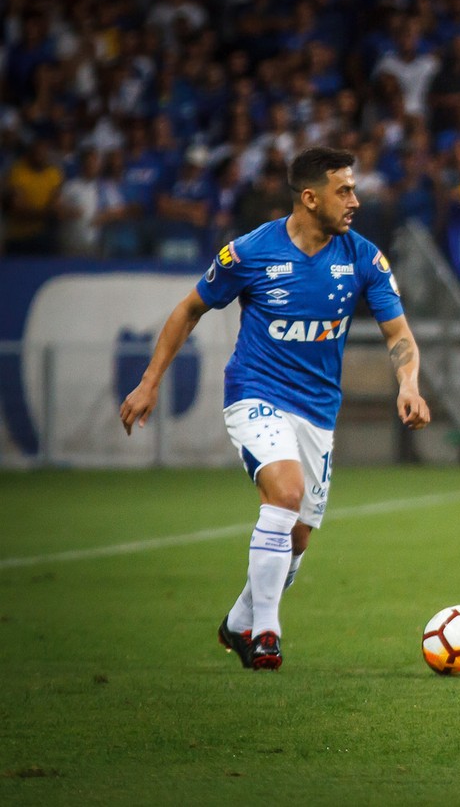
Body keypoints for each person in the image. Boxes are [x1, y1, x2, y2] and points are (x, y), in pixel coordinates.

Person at [119, 146, 431, 671]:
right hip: (255, 393)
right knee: (285, 493)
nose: (355, 200)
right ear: (310, 198)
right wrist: (149, 383)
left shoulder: (363, 257)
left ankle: (238, 623)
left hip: (317, 411)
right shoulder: (249, 253)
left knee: (299, 537)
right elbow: (189, 309)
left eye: (354, 189)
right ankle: (266, 632)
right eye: (344, 190)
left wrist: (409, 383)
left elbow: (398, 333)